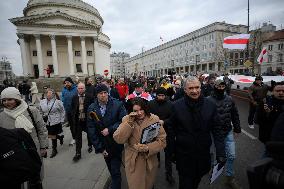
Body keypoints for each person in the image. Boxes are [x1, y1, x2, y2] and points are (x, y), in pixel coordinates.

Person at [168, 76, 226, 189]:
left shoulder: (210, 105)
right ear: (185, 90)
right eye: (191, 88)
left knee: (196, 181)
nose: (194, 91)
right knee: (185, 184)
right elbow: (171, 130)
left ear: (201, 87)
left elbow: (217, 130)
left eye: (197, 87)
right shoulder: (176, 106)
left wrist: (221, 153)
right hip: (184, 156)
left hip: (202, 155)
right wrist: (171, 151)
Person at [0, 87, 48, 188]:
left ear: (17, 99)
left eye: (10, 99)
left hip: (32, 151)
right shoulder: (1, 116)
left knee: (34, 179)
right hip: (13, 155)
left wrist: (43, 147)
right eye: (4, 100)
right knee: (16, 179)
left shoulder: (32, 111)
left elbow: (41, 129)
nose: (6, 102)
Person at [113, 97, 166, 189]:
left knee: (149, 185)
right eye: (136, 110)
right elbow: (119, 139)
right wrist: (129, 123)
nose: (139, 113)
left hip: (149, 160)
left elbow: (162, 140)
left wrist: (148, 148)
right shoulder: (126, 119)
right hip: (133, 160)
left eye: (141, 109)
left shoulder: (154, 119)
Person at [87, 84, 127, 189]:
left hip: (116, 142)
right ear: (96, 95)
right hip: (103, 145)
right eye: (101, 93)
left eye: (105, 93)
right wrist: (100, 148)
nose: (104, 95)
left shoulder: (118, 104)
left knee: (115, 170)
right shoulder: (92, 108)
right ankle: (115, 181)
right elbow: (91, 130)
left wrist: (110, 129)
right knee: (111, 168)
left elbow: (124, 121)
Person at [208, 79, 241, 189]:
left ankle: (229, 177)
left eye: (223, 86)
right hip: (213, 133)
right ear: (215, 87)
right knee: (213, 155)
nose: (221, 88)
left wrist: (237, 128)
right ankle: (214, 173)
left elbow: (235, 114)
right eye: (219, 86)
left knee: (231, 155)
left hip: (227, 131)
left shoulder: (230, 99)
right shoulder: (208, 100)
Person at [148, 87, 175, 184]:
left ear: (165, 96)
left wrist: (164, 121)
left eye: (163, 95)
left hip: (168, 133)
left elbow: (173, 118)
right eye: (159, 95)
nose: (161, 97)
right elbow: (147, 117)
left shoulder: (171, 105)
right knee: (155, 152)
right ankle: (156, 165)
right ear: (156, 95)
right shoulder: (150, 104)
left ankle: (169, 175)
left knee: (168, 155)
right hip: (154, 132)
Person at [258, 81, 284, 156]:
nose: (281, 93)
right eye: (278, 91)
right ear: (273, 91)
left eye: (283, 91)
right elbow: (259, 120)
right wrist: (267, 113)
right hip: (270, 139)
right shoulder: (265, 103)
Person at [71, 83, 94, 162]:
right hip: (78, 121)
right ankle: (78, 153)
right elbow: (72, 108)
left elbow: (93, 108)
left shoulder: (90, 97)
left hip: (87, 120)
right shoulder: (74, 97)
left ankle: (90, 145)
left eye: (82, 88)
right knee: (78, 137)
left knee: (89, 134)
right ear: (77, 89)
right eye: (79, 88)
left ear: (85, 89)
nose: (80, 90)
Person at [39, 88, 65, 158]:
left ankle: (54, 149)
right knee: (50, 135)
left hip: (56, 121)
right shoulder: (42, 102)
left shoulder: (58, 102)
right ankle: (60, 137)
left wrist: (62, 120)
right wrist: (41, 117)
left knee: (53, 135)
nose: (48, 94)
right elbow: (40, 111)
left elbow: (62, 111)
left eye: (50, 93)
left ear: (53, 94)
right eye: (47, 93)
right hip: (47, 121)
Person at [61, 77, 77, 146]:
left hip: (75, 110)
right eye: (65, 83)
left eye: (68, 82)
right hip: (68, 111)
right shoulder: (64, 90)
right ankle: (74, 138)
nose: (66, 84)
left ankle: (78, 136)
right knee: (71, 125)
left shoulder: (76, 89)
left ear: (71, 83)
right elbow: (63, 98)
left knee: (77, 125)